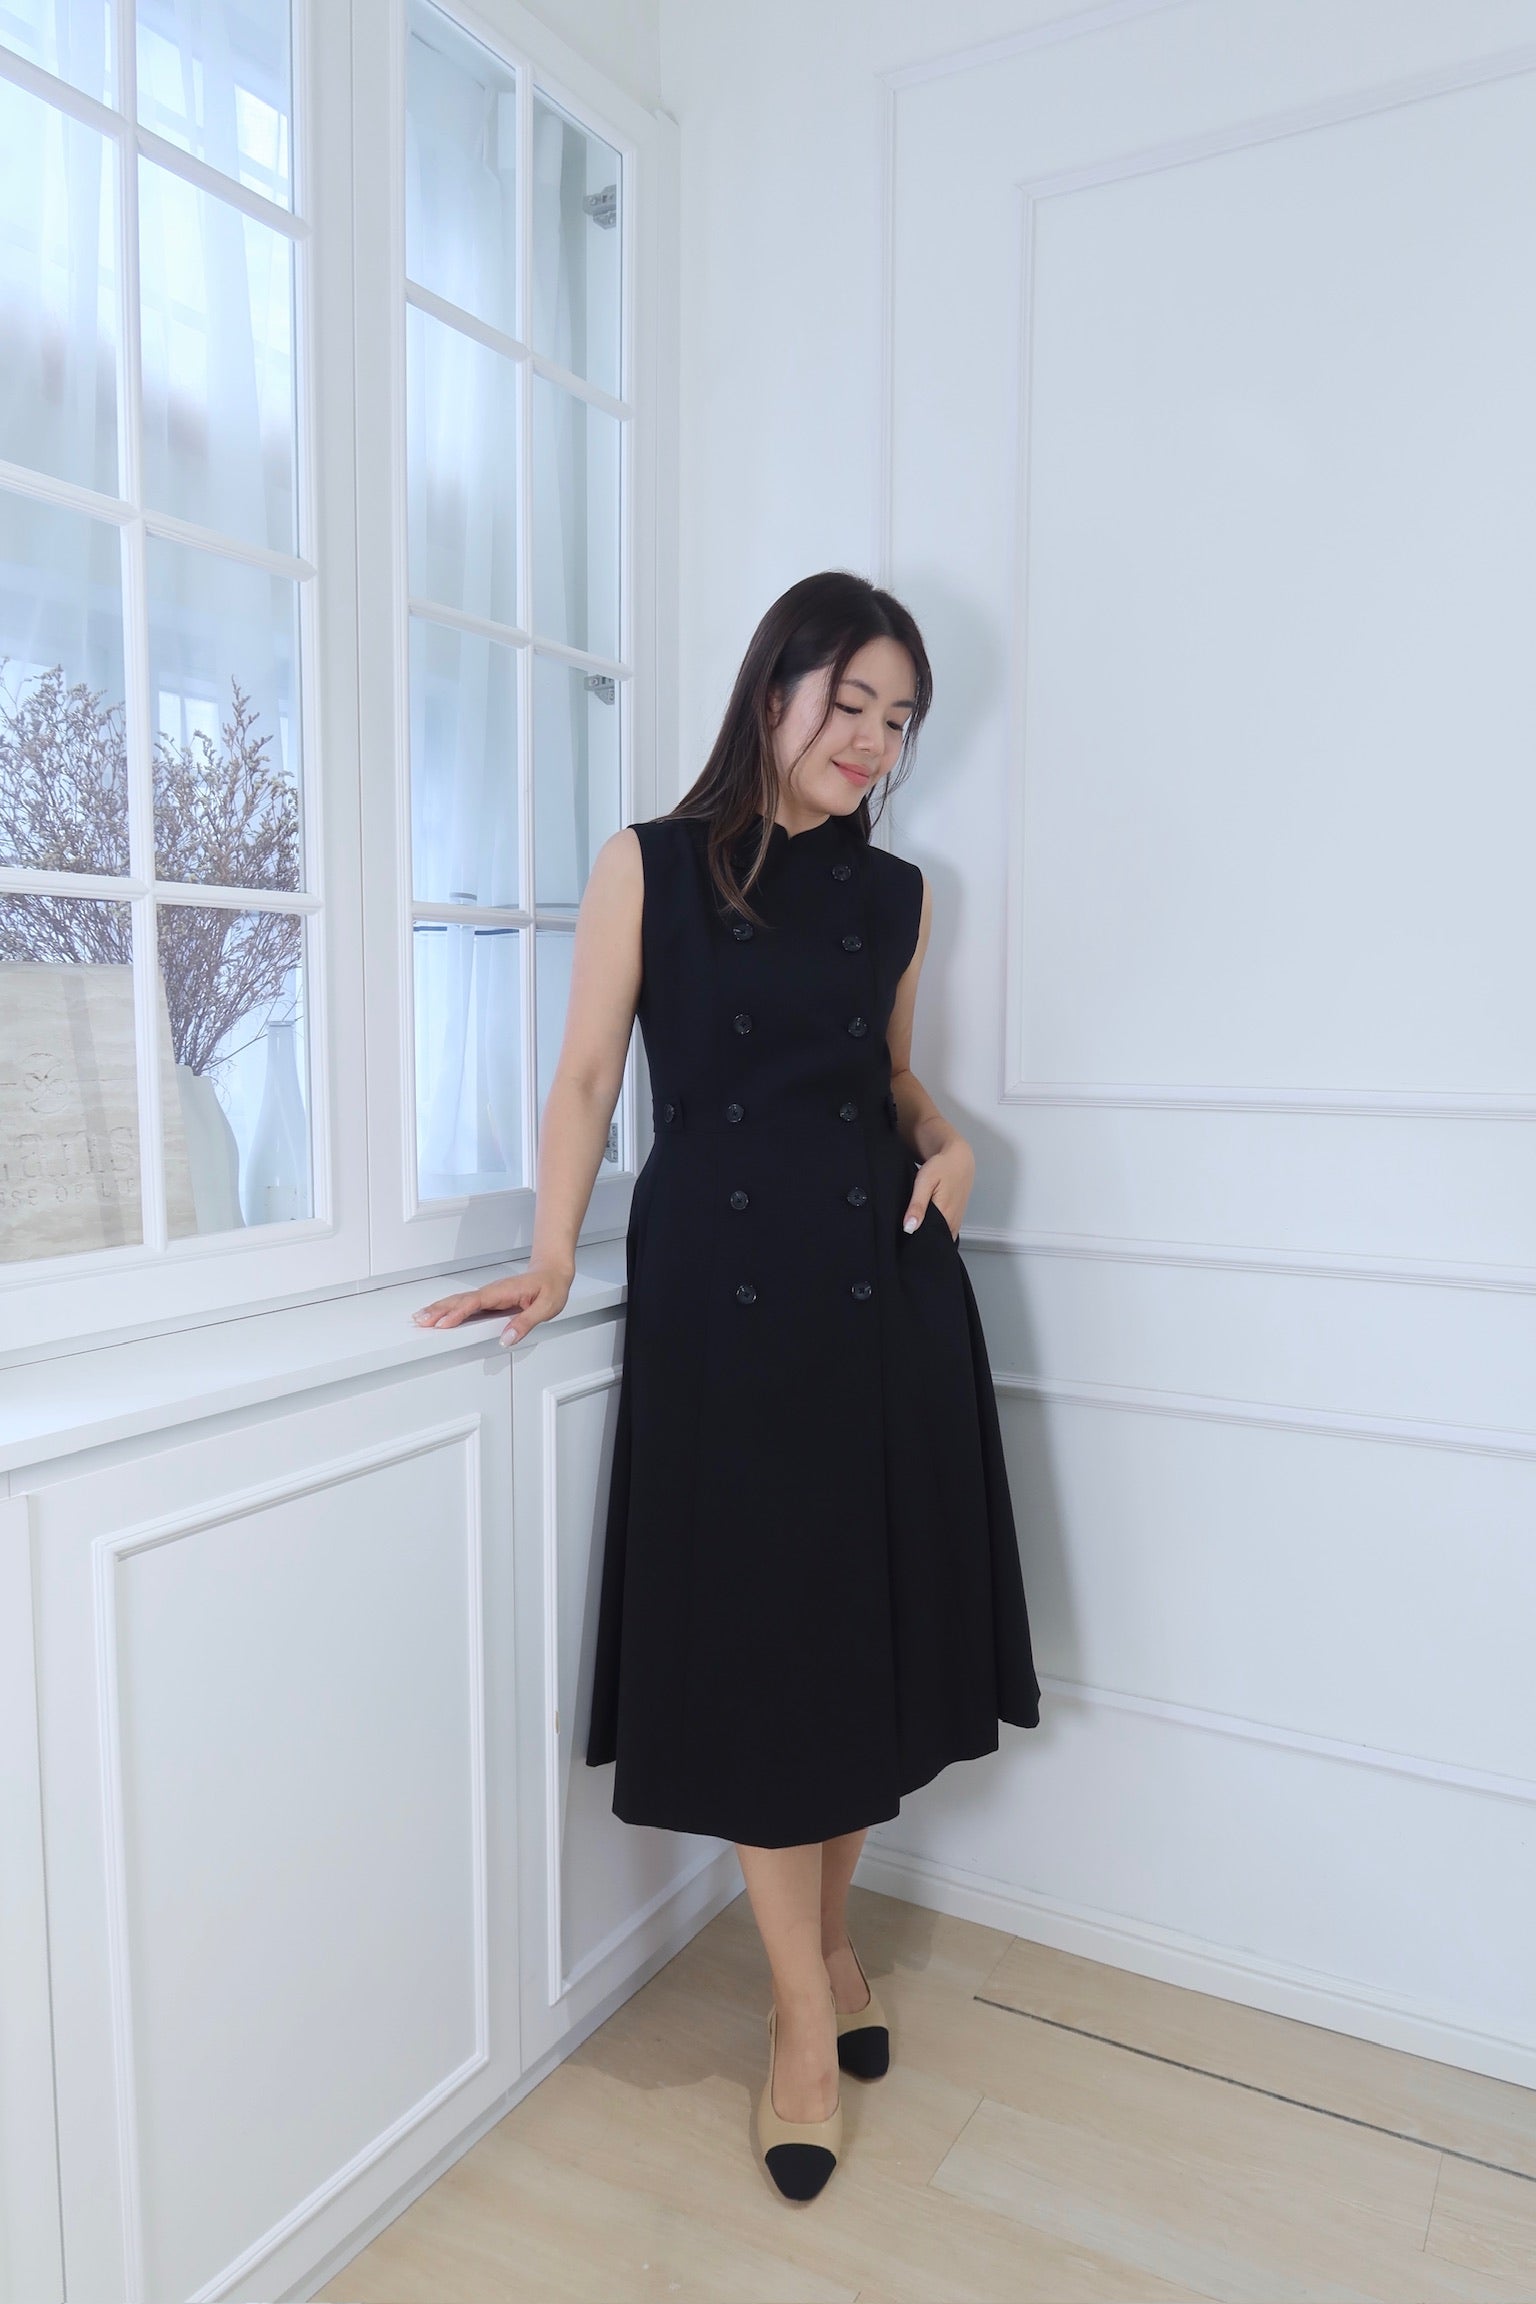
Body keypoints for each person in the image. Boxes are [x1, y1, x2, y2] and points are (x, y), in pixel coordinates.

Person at [414, 570, 1041, 2202]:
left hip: (883, 1292)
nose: (874, 739)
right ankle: (799, 2019)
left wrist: (952, 1142)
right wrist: (555, 1254)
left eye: (901, 719)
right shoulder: (651, 865)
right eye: (852, 703)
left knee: (854, 1648)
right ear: (776, 691)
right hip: (725, 1301)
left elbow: (888, 1075)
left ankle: (826, 1954)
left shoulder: (900, 894)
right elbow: (586, 1076)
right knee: (771, 1661)